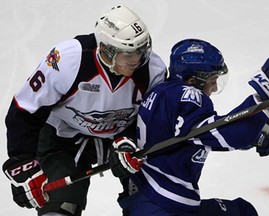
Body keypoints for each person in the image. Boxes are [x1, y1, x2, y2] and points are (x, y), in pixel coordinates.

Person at [2, 5, 167, 216]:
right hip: (63, 138)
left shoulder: (153, 70)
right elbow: (25, 110)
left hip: (122, 139)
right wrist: (23, 162)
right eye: (129, 54)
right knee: (60, 208)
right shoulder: (67, 60)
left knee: (151, 201)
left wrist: (129, 139)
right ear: (107, 51)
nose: (137, 59)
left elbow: (152, 119)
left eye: (141, 50)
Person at [109, 38, 269, 216]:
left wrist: (254, 135)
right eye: (212, 80)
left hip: (147, 200)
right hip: (162, 204)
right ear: (191, 79)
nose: (215, 86)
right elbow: (226, 135)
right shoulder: (186, 94)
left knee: (240, 211)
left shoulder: (164, 93)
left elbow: (199, 136)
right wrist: (266, 92)